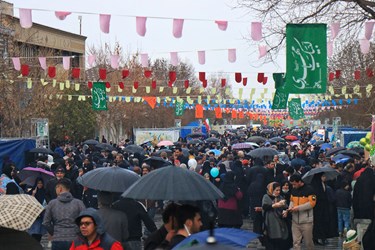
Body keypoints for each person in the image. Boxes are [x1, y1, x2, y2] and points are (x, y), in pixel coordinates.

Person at [43, 178, 86, 250]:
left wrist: (54, 232)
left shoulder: (52, 203)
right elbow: (85, 220)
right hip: (75, 239)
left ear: (59, 188)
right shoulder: (79, 203)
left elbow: (45, 222)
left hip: (58, 238)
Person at [287, 174, 316, 250]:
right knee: (296, 242)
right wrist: (290, 208)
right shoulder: (293, 190)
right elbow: (291, 201)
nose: (293, 186)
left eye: (294, 184)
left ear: (299, 182)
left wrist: (298, 208)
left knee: (308, 242)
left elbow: (312, 203)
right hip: (295, 221)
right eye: (292, 184)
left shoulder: (310, 189)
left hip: (306, 221)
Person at [262, 182, 290, 250]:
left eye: (279, 190)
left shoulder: (280, 197)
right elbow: (265, 207)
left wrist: (285, 210)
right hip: (270, 220)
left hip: (280, 220)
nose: (278, 192)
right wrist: (274, 205)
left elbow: (286, 207)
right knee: (271, 237)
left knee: (280, 237)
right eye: (276, 190)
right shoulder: (266, 196)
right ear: (272, 189)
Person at [28, 177, 47, 242]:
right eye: (38, 183)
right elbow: (30, 201)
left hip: (42, 213)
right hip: (34, 214)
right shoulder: (32, 191)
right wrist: (33, 194)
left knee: (40, 230)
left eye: (41, 183)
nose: (40, 184)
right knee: (34, 230)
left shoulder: (45, 191)